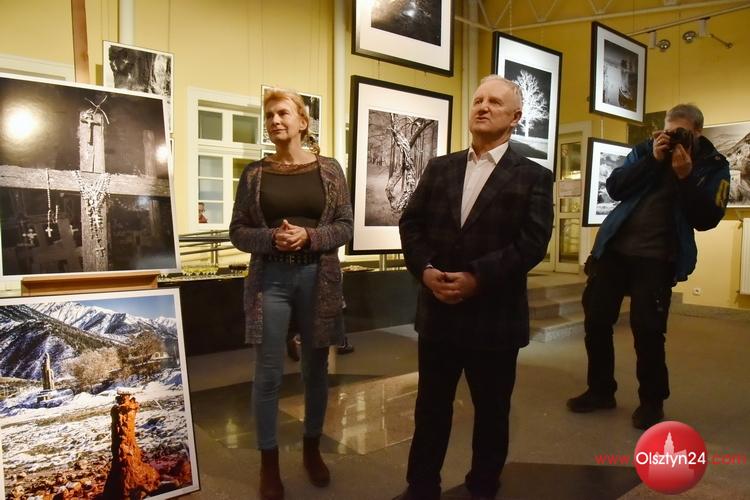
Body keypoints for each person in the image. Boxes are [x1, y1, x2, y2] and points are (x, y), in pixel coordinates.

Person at [395, 75, 554, 500]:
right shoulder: (440, 167)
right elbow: (411, 224)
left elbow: (532, 244)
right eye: (478, 100)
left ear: (515, 117)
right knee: (431, 409)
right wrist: (425, 269)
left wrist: (477, 278)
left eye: (495, 102)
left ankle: (483, 485)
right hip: (438, 311)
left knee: (492, 412)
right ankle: (421, 486)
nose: (482, 107)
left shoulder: (533, 176)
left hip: (494, 317)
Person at [567, 104, 730, 430]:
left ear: (697, 132)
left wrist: (686, 177)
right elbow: (615, 187)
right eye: (669, 131)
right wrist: (652, 160)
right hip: (614, 251)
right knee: (596, 321)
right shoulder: (646, 150)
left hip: (657, 258)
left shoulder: (713, 165)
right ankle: (601, 390)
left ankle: (652, 402)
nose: (673, 138)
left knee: (648, 331)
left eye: (681, 133)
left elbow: (707, 219)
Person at [229, 87, 353, 500]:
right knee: (267, 373)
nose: (275, 121)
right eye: (269, 115)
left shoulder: (329, 170)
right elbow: (238, 231)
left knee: (315, 371)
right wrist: (271, 238)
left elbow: (345, 225)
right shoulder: (254, 174)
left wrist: (310, 236)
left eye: (282, 113)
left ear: (303, 121)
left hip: (319, 278)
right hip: (271, 281)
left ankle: (312, 449)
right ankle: (269, 464)